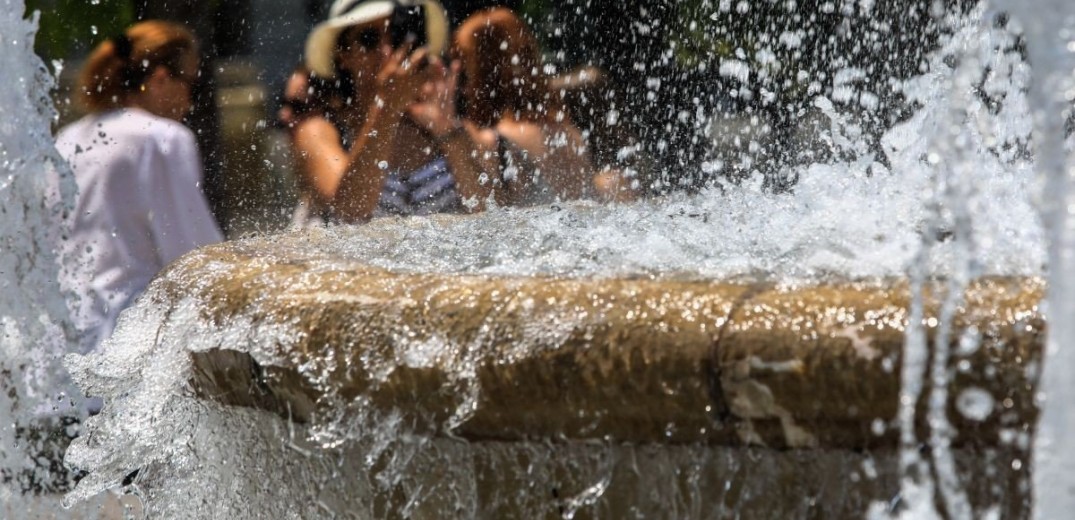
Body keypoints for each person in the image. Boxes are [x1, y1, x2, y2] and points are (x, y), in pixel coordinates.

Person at [55, 20, 223, 353]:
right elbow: (196, 259)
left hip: (59, 350)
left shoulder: (66, 139)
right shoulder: (162, 139)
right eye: (192, 83)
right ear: (160, 79)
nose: (190, 101)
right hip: (128, 345)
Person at [289, 0, 502, 225]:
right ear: (343, 55)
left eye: (397, 34)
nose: (386, 50)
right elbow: (351, 213)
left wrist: (447, 131)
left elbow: (493, 217)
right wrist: (387, 108)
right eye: (369, 39)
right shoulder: (318, 133)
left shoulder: (455, 130)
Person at [451, 7, 593, 206]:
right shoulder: (569, 132)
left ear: (482, 70)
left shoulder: (490, 141)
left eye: (462, 60)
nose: (457, 72)